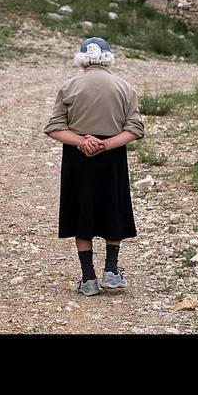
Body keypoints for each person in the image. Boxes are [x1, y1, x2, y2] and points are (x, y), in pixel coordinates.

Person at [44, 37, 144, 297]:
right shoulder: (125, 88)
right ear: (109, 58)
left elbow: (54, 127)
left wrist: (82, 141)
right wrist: (105, 145)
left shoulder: (69, 87)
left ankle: (88, 278)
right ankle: (111, 271)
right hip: (113, 158)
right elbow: (135, 129)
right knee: (113, 208)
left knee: (82, 212)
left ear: (81, 60)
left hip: (78, 159)